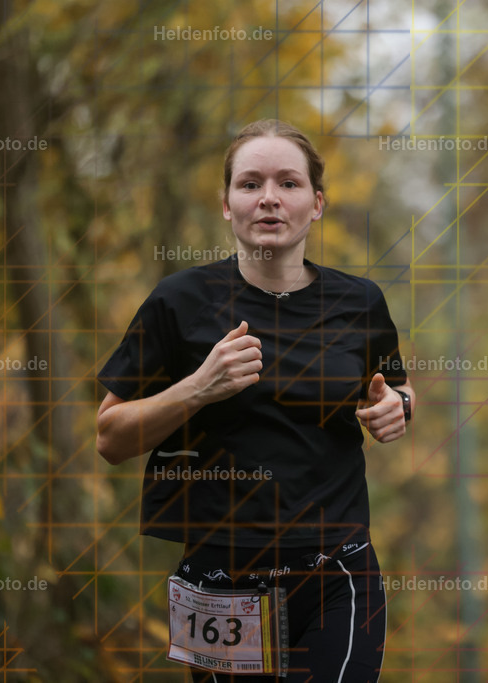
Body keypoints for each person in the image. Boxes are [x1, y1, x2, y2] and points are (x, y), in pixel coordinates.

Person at [96, 119, 414, 682]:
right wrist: (199, 387)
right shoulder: (179, 302)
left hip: (337, 573)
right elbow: (111, 438)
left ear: (316, 204)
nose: (269, 197)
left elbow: (396, 385)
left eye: (288, 183)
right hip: (222, 585)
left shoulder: (359, 301)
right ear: (227, 204)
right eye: (250, 184)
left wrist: (399, 406)